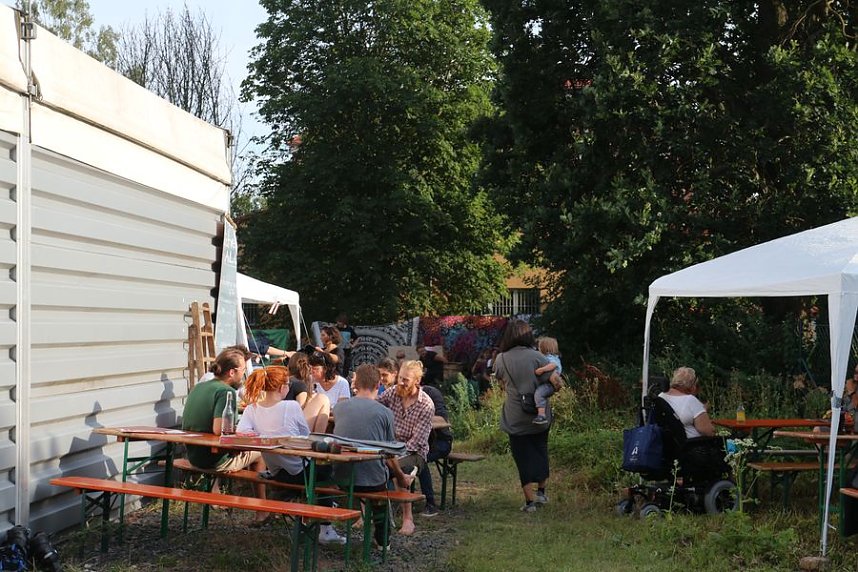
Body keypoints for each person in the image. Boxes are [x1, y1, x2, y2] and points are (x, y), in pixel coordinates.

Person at [237, 367, 345, 543]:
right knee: (327, 469)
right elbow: (305, 434)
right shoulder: (291, 406)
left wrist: (263, 435)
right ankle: (326, 528)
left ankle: (317, 516)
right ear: (282, 388)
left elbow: (241, 432)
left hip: (278, 473)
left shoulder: (252, 409)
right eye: (287, 384)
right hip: (300, 472)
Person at [332, 364, 414, 550]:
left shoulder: (339, 408)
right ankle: (382, 540)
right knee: (379, 493)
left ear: (355, 384)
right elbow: (389, 453)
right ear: (378, 385)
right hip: (371, 480)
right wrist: (401, 477)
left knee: (370, 476)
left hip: (342, 477)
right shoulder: (385, 413)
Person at [181, 347, 268, 521]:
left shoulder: (199, 387)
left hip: (193, 455)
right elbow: (219, 429)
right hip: (212, 460)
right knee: (261, 453)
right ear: (231, 372)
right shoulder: (225, 392)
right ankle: (262, 510)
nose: (243, 376)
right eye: (242, 371)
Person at [493, 319, 562, 512]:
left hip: (514, 415)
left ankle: (529, 502)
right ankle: (541, 492)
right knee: (540, 450)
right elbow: (557, 382)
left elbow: (500, 381)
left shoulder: (501, 359)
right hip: (539, 416)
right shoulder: (539, 357)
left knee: (521, 457)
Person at [378, 360, 434, 535]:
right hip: (390, 447)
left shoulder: (426, 404)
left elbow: (417, 441)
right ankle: (366, 516)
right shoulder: (393, 393)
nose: (401, 382)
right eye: (400, 378)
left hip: (414, 452)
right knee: (369, 463)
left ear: (417, 381)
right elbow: (375, 406)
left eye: (406, 380)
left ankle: (408, 519)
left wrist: (393, 456)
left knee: (401, 469)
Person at [416, 369, 453, 517]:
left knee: (420, 458)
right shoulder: (397, 396)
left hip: (439, 442)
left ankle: (430, 503)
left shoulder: (431, 393)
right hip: (416, 442)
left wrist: (418, 419)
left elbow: (443, 420)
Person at [658, 367, 715, 439]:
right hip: (694, 446)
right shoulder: (690, 401)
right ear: (692, 385)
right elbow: (709, 432)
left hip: (668, 445)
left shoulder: (660, 396)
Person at [286, 353, 331, 433]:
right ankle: (317, 439)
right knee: (323, 399)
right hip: (293, 429)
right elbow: (300, 409)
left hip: (283, 423)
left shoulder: (288, 381)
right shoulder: (299, 385)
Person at [532, 336, 564, 425]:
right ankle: (548, 414)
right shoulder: (550, 357)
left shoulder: (551, 357)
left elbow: (553, 365)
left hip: (550, 384)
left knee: (539, 393)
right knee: (540, 395)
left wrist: (542, 369)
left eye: (539, 347)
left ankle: (541, 415)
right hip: (547, 382)